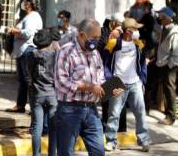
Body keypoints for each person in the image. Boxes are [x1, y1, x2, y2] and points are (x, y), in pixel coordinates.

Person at [54, 19, 123, 156]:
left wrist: (110, 90)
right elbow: (61, 82)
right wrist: (89, 87)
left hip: (91, 110)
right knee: (66, 152)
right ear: (81, 35)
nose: (97, 41)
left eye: (99, 38)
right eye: (94, 38)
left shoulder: (95, 54)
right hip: (69, 110)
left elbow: (100, 79)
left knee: (98, 151)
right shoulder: (66, 52)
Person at [103, 18, 151, 152]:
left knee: (140, 112)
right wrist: (111, 81)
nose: (137, 31)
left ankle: (144, 140)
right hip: (118, 84)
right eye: (135, 28)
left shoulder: (138, 44)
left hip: (135, 83)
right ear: (129, 30)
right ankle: (111, 141)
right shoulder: (113, 44)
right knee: (114, 113)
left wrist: (142, 80)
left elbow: (142, 64)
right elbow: (105, 64)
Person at [6, 0, 43, 113]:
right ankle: (20, 105)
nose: (22, 2)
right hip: (22, 51)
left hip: (28, 50)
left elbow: (28, 33)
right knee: (23, 80)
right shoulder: (28, 16)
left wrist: (14, 30)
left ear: (29, 3)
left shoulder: (33, 16)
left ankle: (35, 107)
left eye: (24, 1)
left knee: (29, 80)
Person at [27, 29, 57, 156]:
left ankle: (36, 154)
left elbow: (29, 73)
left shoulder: (31, 54)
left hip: (37, 94)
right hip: (52, 95)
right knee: (53, 128)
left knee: (36, 127)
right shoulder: (55, 55)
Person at [156, 7, 178, 125]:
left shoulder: (175, 33)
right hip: (162, 63)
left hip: (169, 66)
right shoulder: (165, 29)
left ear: (167, 18)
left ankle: (171, 116)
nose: (159, 19)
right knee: (165, 88)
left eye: (161, 17)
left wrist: (170, 65)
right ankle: (166, 111)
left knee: (169, 89)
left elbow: (177, 52)